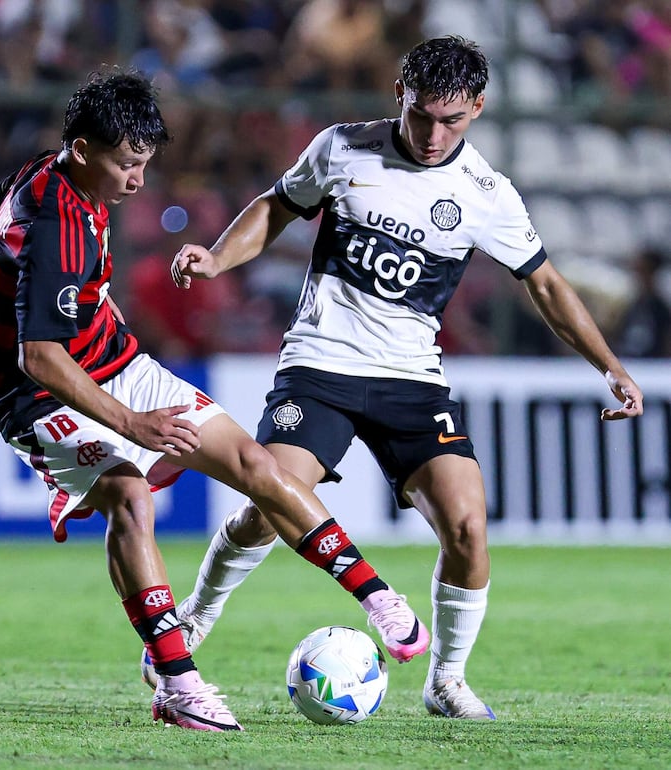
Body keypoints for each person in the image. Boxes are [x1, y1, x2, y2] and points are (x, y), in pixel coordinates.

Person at [163, 36, 644, 721]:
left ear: (478, 109)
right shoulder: (342, 147)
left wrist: (610, 366)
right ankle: (199, 615)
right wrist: (215, 259)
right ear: (400, 96)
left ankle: (446, 681)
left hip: (411, 382)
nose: (432, 133)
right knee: (273, 499)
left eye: (451, 119)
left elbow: (547, 286)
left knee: (468, 527)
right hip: (319, 365)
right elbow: (277, 206)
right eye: (422, 115)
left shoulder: (485, 194)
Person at [0, 69, 428, 733]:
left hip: (116, 361)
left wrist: (55, 286)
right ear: (86, 151)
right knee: (129, 494)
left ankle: (377, 596)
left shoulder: (45, 171)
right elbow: (39, 356)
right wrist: (130, 424)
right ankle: (177, 682)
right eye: (127, 165)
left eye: (146, 163)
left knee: (257, 465)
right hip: (36, 394)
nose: (138, 182)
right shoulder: (58, 218)